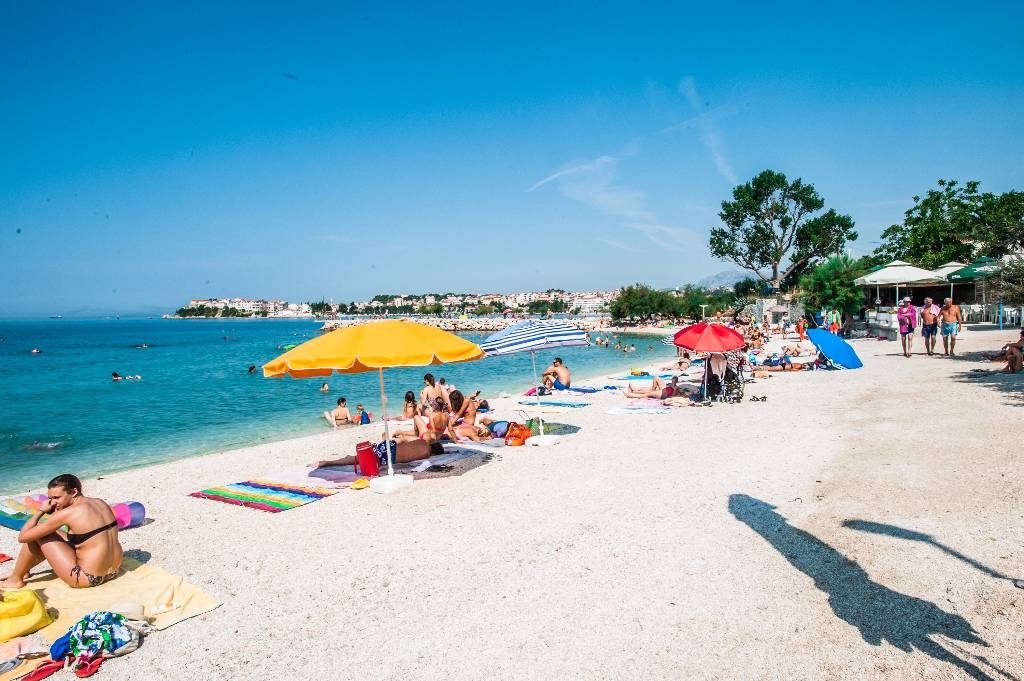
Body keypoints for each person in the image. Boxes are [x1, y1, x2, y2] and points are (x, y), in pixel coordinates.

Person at [0, 474, 123, 589]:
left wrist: (41, 511)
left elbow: (23, 537)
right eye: (50, 498)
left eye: (56, 498)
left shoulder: (68, 513)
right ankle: (22, 570)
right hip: (113, 571)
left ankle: (16, 579)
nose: (53, 502)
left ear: (74, 492)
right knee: (49, 532)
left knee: (38, 534)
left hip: (88, 578)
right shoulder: (99, 502)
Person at [312, 439, 444, 469]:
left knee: (362, 457)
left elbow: (403, 440)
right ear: (434, 453)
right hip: (389, 457)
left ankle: (345, 459)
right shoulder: (427, 454)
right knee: (360, 460)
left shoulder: (422, 441)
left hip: (389, 446)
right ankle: (328, 462)